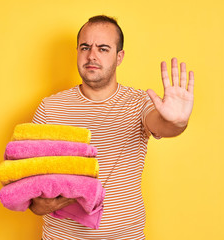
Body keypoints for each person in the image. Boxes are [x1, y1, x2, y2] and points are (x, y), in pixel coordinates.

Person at [29, 15, 194, 239]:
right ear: (77, 51)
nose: (92, 55)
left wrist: (177, 121)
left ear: (119, 57)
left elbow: (164, 126)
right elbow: (33, 202)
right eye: (85, 47)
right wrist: (49, 202)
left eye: (103, 48)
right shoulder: (50, 108)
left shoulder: (138, 103)